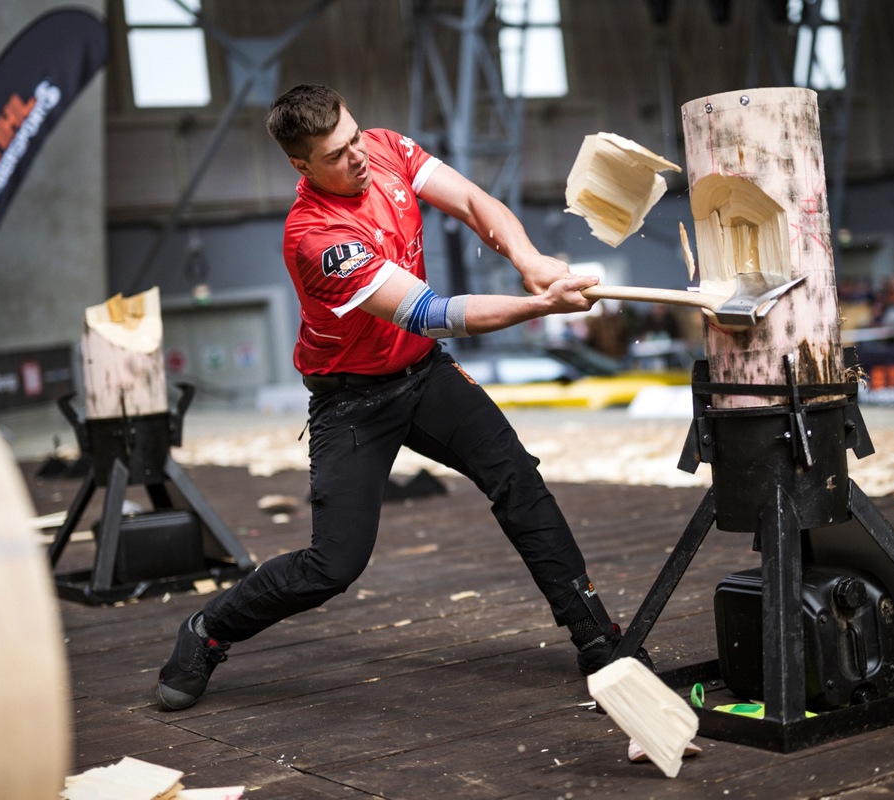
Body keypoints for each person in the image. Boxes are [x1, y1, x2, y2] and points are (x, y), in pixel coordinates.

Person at [155, 84, 650, 711]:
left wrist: (527, 259)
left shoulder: (385, 148)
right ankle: (209, 630)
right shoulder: (315, 239)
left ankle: (596, 638)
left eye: (355, 136)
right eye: (336, 153)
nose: (358, 156)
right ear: (300, 166)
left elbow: (471, 200)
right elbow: (429, 312)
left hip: (423, 375)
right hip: (352, 401)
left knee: (516, 478)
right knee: (333, 565)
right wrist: (540, 306)